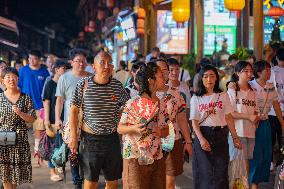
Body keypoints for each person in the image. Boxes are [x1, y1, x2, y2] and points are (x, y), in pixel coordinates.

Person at [69, 51, 130, 189]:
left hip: (112, 140)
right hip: (90, 141)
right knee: (90, 183)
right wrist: (73, 136)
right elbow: (73, 111)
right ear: (94, 66)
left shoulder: (117, 86)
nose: (106, 66)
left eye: (110, 63)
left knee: (113, 182)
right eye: (102, 62)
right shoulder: (83, 85)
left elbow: (128, 107)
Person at [190, 65, 242, 189]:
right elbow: (194, 122)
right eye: (206, 76)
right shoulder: (196, 98)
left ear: (216, 78)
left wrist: (235, 137)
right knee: (205, 172)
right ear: (201, 79)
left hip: (220, 135)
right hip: (203, 134)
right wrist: (201, 139)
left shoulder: (223, 96)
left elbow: (229, 117)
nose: (209, 79)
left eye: (212, 76)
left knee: (221, 172)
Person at [118, 62, 169, 189]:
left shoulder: (162, 103)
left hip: (157, 156)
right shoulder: (133, 102)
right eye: (160, 76)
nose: (164, 78)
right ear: (151, 81)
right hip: (135, 158)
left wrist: (161, 132)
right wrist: (133, 128)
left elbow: (167, 130)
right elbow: (120, 128)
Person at [55, 48, 89, 189]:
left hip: (88, 120)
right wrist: (58, 118)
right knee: (73, 151)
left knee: (86, 151)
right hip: (71, 121)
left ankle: (88, 178)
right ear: (71, 62)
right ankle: (77, 182)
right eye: (78, 61)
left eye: (83, 61)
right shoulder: (64, 78)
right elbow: (59, 100)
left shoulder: (91, 76)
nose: (81, 64)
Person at [156, 59, 193, 189]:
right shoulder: (146, 93)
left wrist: (188, 141)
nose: (162, 73)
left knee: (170, 181)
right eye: (158, 70)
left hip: (173, 141)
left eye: (164, 69)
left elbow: (182, 118)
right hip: (151, 142)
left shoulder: (175, 92)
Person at [249, 60, 284, 189]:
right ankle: (252, 183)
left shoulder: (271, 86)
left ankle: (255, 182)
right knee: (255, 154)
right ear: (258, 72)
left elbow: (276, 105)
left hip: (265, 123)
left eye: (270, 69)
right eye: (267, 70)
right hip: (252, 124)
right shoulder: (250, 85)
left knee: (265, 153)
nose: (269, 72)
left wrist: (282, 123)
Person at [0, 67, 36, 189]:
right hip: (3, 138)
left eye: (13, 77)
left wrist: (20, 113)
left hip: (20, 139)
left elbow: (32, 119)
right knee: (4, 170)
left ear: (18, 79)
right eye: (8, 77)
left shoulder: (26, 98)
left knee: (16, 172)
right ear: (3, 80)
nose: (11, 80)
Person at [227, 61, 259, 176]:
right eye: (246, 71)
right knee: (240, 166)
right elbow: (230, 113)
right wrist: (249, 117)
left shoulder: (253, 91)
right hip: (237, 133)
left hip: (250, 133)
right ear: (237, 73)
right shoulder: (232, 89)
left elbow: (256, 110)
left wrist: (256, 119)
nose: (249, 74)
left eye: (251, 71)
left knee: (245, 167)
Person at [18, 50, 50, 158]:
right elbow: (19, 86)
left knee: (38, 129)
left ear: (40, 60)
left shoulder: (44, 72)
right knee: (21, 128)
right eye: (30, 58)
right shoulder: (23, 70)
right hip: (24, 105)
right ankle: (21, 150)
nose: (31, 60)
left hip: (39, 106)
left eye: (34, 58)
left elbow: (47, 89)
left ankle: (37, 150)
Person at [43, 59, 67, 182]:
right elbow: (46, 102)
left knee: (62, 145)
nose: (65, 70)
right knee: (52, 146)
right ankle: (52, 171)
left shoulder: (66, 83)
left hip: (66, 120)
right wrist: (46, 119)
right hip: (52, 120)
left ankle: (59, 164)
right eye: (63, 68)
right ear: (57, 70)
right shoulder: (50, 84)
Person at [269, 48, 284, 168]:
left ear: (277, 58)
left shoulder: (271, 72)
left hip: (273, 111)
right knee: (282, 137)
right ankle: (282, 162)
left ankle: (271, 162)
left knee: (271, 138)